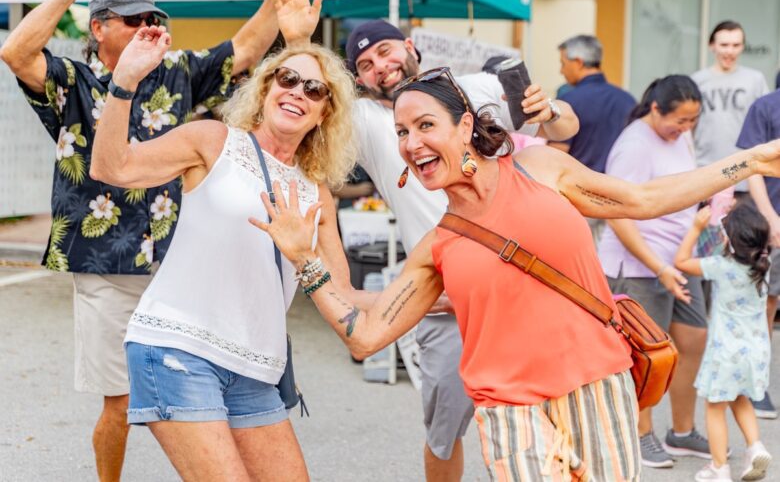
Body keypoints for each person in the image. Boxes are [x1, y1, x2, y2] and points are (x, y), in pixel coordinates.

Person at [254, 67, 780, 481]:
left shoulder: (542, 171)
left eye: (425, 125)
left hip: (597, 386)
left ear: (464, 125)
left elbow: (643, 200)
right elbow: (366, 338)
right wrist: (307, 261)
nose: (411, 143)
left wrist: (751, 161)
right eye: (401, 133)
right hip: (510, 411)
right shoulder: (438, 246)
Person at [0, 0, 314, 480]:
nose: (147, 24)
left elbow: (242, 50)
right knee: (119, 403)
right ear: (98, 29)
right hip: (105, 265)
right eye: (131, 18)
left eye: (154, 16)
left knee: (206, 395)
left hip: (179, 265)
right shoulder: (75, 80)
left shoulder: (178, 73)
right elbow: (16, 53)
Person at [88, 0, 358, 479]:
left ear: (325, 112)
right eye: (287, 78)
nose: (297, 90)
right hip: (178, 347)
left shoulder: (315, 191)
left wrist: (443, 292)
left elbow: (343, 296)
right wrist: (124, 83)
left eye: (315, 88)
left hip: (256, 369)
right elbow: (112, 167)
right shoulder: (213, 141)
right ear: (265, 87)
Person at [345, 19, 579, 481]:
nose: (382, 68)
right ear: (359, 80)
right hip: (444, 305)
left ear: (410, 46)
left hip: (518, 291)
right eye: (366, 65)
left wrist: (549, 109)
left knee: (540, 421)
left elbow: (567, 125)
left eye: (387, 52)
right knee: (444, 432)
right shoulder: (372, 124)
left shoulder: (474, 88)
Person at [598, 76, 711, 469]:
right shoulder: (633, 144)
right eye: (680, 120)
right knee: (647, 353)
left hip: (680, 257)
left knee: (694, 339)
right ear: (655, 109)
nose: (686, 128)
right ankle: (639, 433)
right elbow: (617, 214)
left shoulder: (680, 136)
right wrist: (658, 266)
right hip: (640, 264)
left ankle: (681, 431)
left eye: (693, 120)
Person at [675, 203, 773, 482]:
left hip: (726, 353)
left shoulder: (720, 266)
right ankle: (755, 447)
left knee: (714, 407)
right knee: (740, 397)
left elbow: (681, 262)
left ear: (729, 241)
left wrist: (695, 229)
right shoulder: (763, 265)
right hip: (755, 351)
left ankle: (719, 468)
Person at [548, 35, 636, 242]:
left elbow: (555, 153)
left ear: (578, 62)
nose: (561, 70)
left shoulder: (568, 102)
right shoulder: (627, 100)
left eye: (563, 63)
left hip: (579, 198)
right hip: (619, 199)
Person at [737, 88, 780, 419]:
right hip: (771, 220)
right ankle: (756, 383)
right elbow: (751, 169)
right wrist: (770, 220)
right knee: (765, 303)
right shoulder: (765, 107)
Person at [691, 21, 769, 197]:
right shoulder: (696, 81)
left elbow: (765, 126)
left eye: (736, 45)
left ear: (742, 47)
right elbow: (687, 130)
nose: (730, 51)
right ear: (712, 45)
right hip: (704, 174)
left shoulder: (755, 80)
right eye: (724, 45)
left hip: (745, 175)